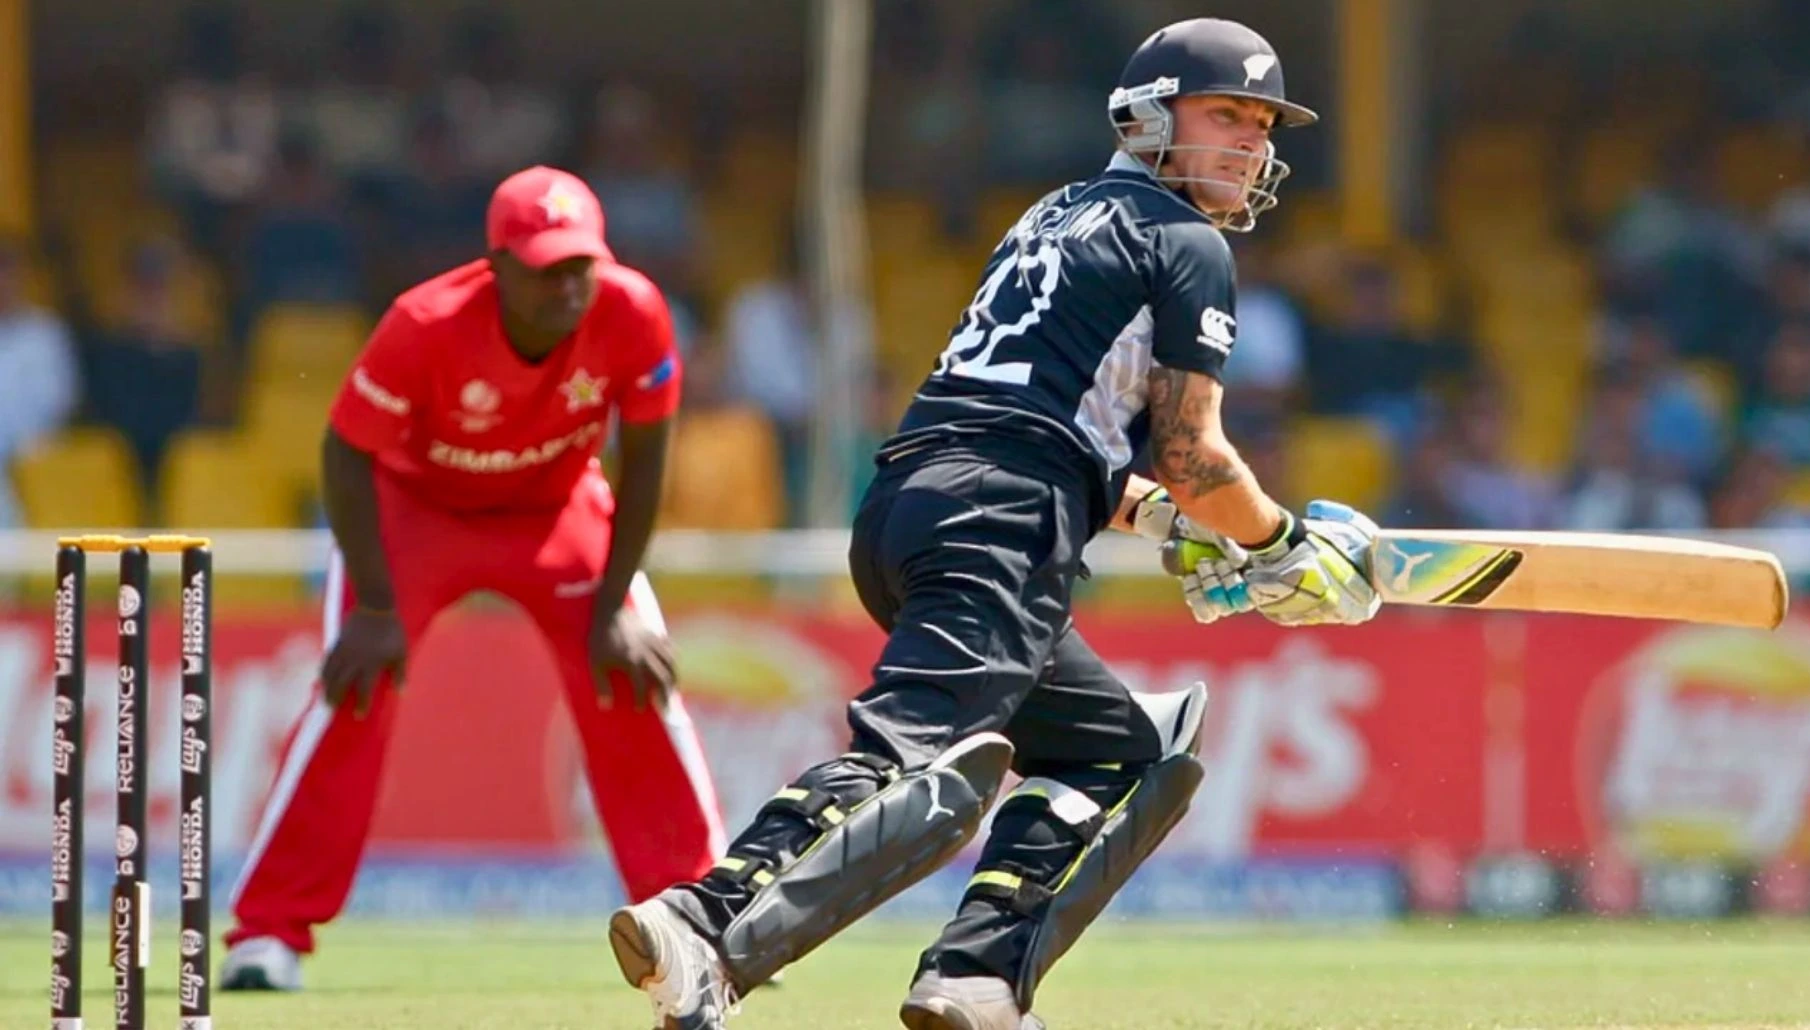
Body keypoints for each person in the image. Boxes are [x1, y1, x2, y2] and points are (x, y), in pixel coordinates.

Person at [607, 19, 1383, 1030]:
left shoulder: (1056, 214)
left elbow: (1070, 427)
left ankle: (974, 980)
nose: (1250, 143)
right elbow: (1194, 453)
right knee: (920, 758)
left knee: (1122, 753)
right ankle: (701, 921)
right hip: (999, 519)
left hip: (917, 501)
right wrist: (1283, 547)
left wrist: (1173, 522)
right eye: (1225, 115)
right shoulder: (1186, 242)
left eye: (1262, 124)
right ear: (1148, 118)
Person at [220, 165, 727, 990]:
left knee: (637, 671)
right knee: (355, 686)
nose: (568, 286)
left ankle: (701, 919)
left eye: (580, 265)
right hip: (417, 512)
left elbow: (645, 460)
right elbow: (345, 455)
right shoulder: (424, 323)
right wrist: (377, 607)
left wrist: (615, 606)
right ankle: (268, 934)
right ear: (497, 266)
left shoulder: (631, 309)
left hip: (557, 506)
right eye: (545, 267)